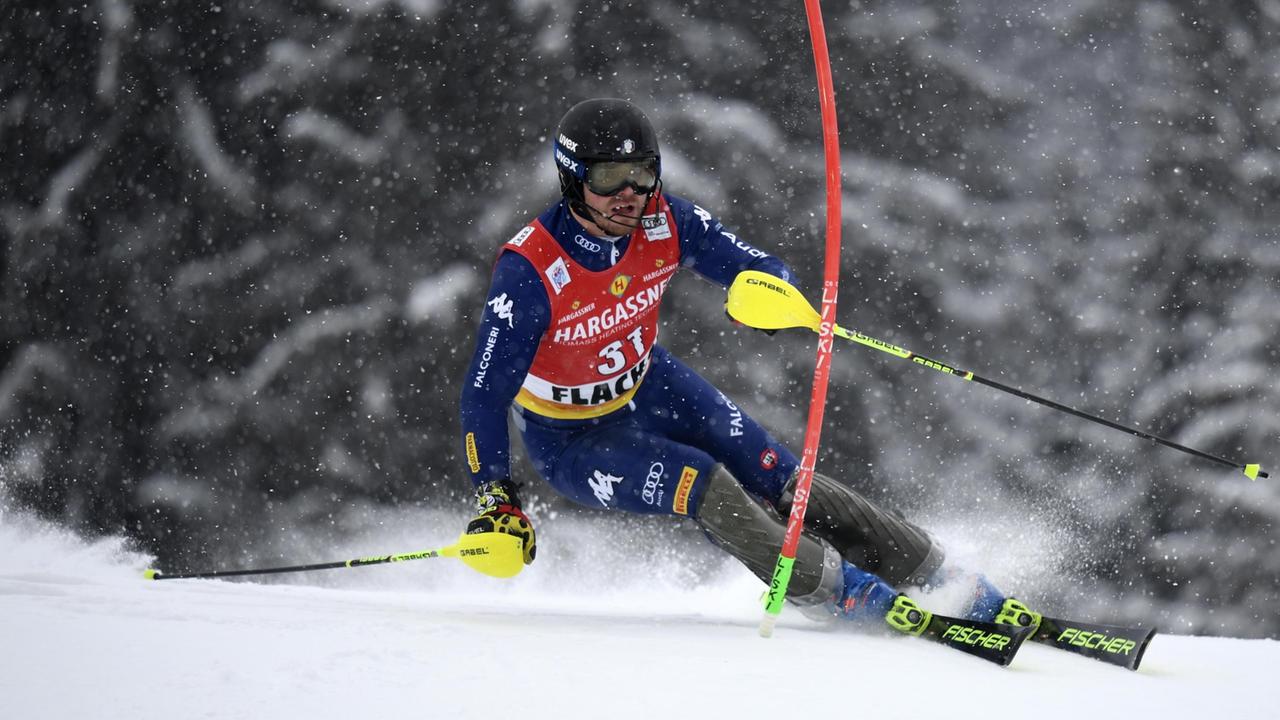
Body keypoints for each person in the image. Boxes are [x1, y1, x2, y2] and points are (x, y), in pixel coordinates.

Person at [458, 97, 1038, 634]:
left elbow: (753, 263)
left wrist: (766, 294)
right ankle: (848, 596)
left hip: (650, 383)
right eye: (610, 178)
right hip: (572, 438)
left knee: (781, 476)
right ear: (572, 177)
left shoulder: (666, 220)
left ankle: (948, 580)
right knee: (704, 486)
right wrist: (495, 496)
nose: (631, 193)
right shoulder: (531, 269)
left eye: (644, 173)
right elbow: (484, 394)